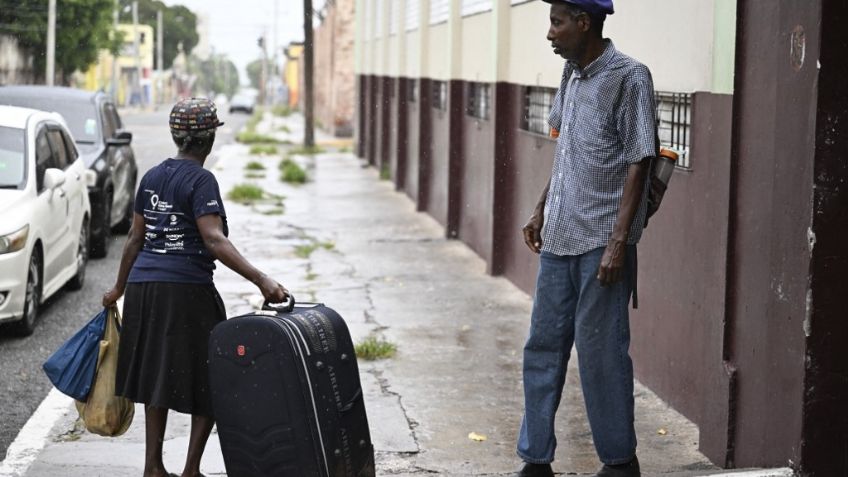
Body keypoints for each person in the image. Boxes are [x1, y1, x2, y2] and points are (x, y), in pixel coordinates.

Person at [103, 98, 289, 477]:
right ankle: (190, 470)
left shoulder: (152, 176)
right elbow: (214, 240)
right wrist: (263, 280)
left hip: (144, 289)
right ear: (207, 140)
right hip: (185, 290)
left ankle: (153, 467)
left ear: (177, 136)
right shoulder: (202, 180)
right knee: (214, 373)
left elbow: (134, 241)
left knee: (156, 375)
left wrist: (119, 288)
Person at [514, 1, 656, 476]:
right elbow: (568, 152)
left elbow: (641, 160)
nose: (550, 33)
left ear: (584, 22)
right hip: (558, 238)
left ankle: (619, 462)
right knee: (542, 348)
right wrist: (540, 208)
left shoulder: (629, 77)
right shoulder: (570, 75)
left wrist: (618, 243)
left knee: (601, 356)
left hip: (601, 245)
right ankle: (535, 460)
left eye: (557, 22)